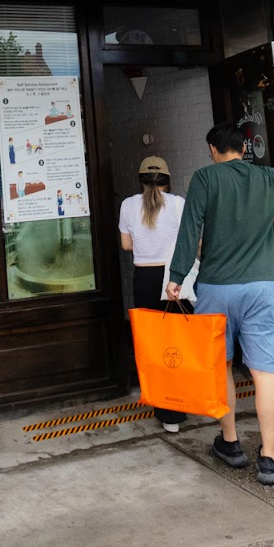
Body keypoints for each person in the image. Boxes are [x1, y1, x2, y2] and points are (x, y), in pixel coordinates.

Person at [166, 123, 274, 485]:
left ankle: (231, 442)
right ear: (242, 148)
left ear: (212, 149)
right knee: (265, 372)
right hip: (261, 288)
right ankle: (269, 459)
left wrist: (176, 276)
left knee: (221, 366)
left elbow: (190, 228)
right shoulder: (267, 177)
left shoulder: (205, 178)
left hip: (216, 288)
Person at [119, 156, 187, 434]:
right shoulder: (179, 203)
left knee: (154, 346)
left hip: (145, 280)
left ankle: (166, 413)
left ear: (140, 180)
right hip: (174, 278)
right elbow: (190, 241)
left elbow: (126, 245)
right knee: (178, 343)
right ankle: (182, 402)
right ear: (167, 181)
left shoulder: (128, 205)